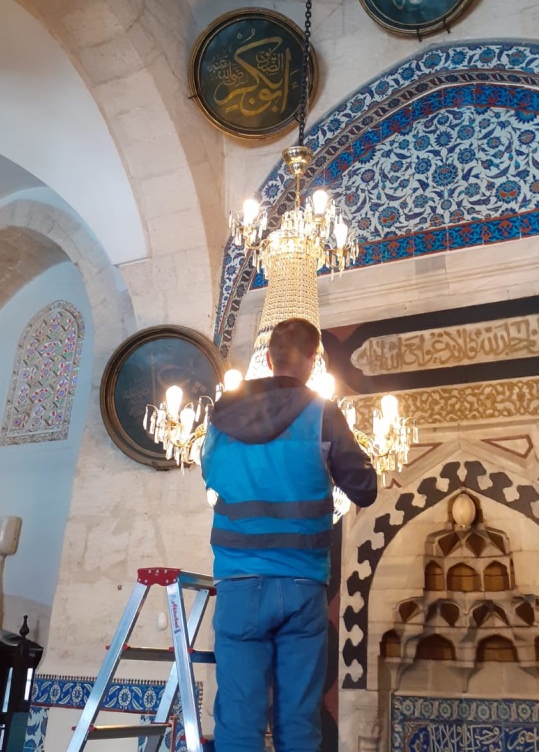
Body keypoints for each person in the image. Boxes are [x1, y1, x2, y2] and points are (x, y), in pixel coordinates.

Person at [201, 317, 378, 752]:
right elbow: (365, 489)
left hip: (239, 583)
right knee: (298, 722)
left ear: (268, 358)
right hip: (302, 584)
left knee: (239, 721)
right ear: (313, 361)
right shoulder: (322, 413)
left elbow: (211, 474)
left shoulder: (223, 413)